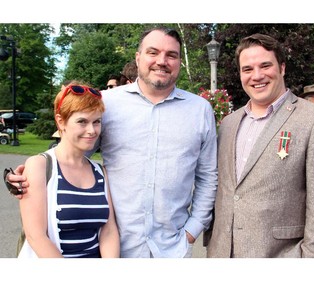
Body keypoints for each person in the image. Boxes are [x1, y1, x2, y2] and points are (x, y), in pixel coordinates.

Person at [5, 26, 217, 258]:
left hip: (173, 249)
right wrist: (31, 175)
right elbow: (72, 157)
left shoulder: (199, 110)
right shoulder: (108, 103)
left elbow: (207, 176)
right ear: (138, 58)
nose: (161, 61)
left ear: (179, 61)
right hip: (115, 249)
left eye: (172, 55)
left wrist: (192, 230)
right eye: (153, 52)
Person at [206, 33, 314, 258]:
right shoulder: (229, 124)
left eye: (265, 65)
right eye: (247, 69)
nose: (257, 75)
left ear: (282, 68)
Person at [17, 82, 120, 258]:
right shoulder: (39, 166)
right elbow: (36, 236)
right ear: (61, 121)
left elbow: (108, 231)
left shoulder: (99, 171)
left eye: (96, 122)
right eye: (82, 121)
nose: (91, 130)